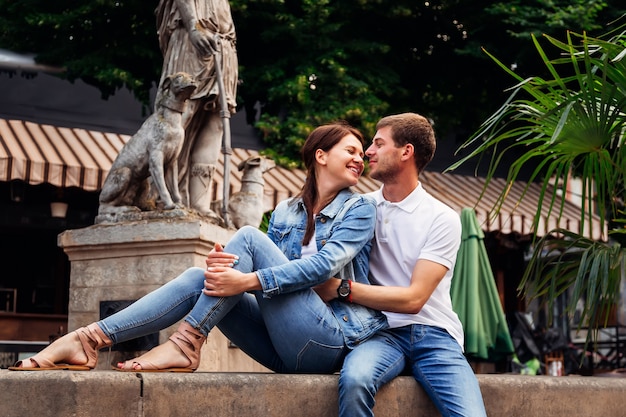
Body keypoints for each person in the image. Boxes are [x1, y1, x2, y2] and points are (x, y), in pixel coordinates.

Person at [9, 122, 387, 373]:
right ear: (321, 156)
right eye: (350, 151)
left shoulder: (360, 208)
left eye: (362, 153)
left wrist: (243, 279)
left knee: (248, 239)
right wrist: (228, 272)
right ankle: (89, 340)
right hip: (280, 347)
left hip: (329, 342)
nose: (360, 159)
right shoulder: (287, 211)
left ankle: (186, 343)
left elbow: (322, 268)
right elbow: (275, 280)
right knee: (199, 275)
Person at [313, 113, 487, 416]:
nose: (368, 151)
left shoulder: (441, 217)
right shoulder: (358, 209)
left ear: (406, 152)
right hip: (378, 334)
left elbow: (414, 299)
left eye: (379, 144)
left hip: (434, 335)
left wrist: (340, 289)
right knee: (354, 381)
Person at [156, 0, 238, 217]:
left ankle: (199, 203)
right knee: (181, 112)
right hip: (193, 39)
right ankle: (162, 193)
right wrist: (193, 25)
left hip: (224, 44)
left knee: (216, 122)